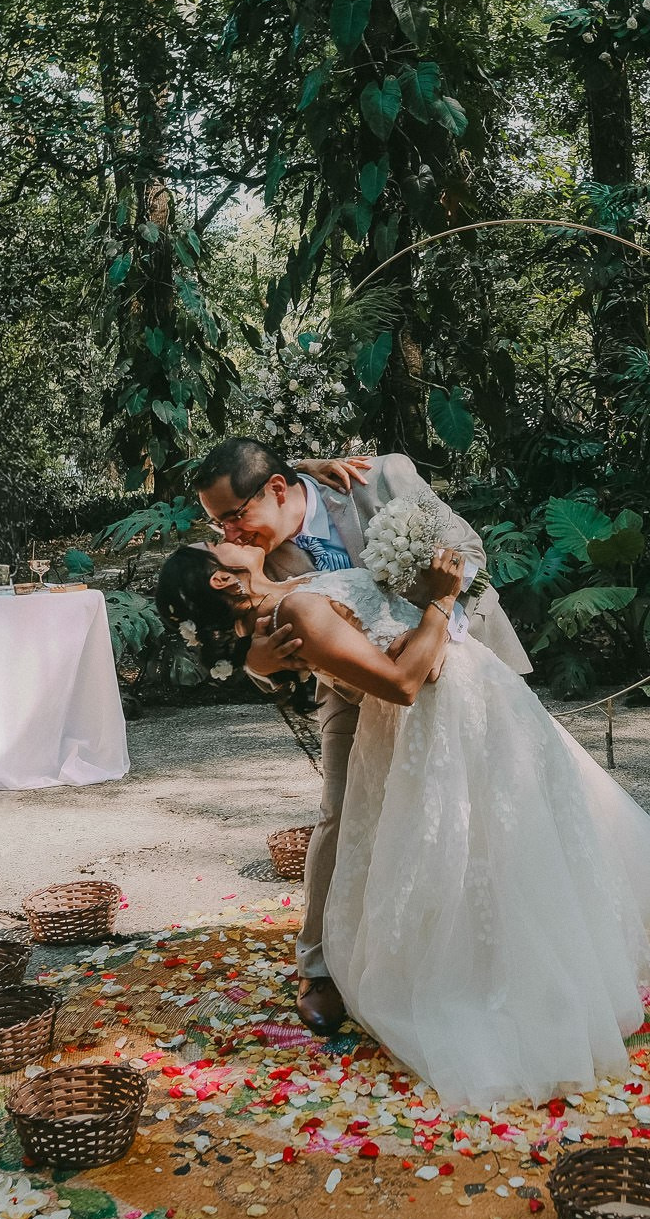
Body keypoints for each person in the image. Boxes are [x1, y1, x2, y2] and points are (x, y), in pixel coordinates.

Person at [157, 533, 650, 1108]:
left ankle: (529, 967)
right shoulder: (295, 610)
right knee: (473, 847)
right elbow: (403, 683)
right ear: (221, 578)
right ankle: (495, 983)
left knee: (502, 839)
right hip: (441, 714)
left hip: (475, 698)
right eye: (215, 542)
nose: (227, 535)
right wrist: (441, 599)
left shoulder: (289, 591)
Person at [179, 440, 532, 1038]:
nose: (229, 530)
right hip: (352, 691)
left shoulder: (379, 478)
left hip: (465, 656)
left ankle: (494, 938)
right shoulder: (252, 558)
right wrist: (255, 664)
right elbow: (228, 616)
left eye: (234, 515)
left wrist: (434, 620)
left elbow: (469, 553)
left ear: (278, 490)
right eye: (217, 523)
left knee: (496, 801)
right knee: (343, 812)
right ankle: (318, 967)